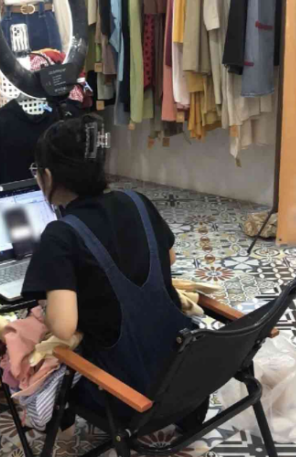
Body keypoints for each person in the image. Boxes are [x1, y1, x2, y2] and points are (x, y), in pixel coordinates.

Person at [21, 115, 205, 427]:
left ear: (47, 176)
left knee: (37, 342)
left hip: (128, 399)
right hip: (184, 378)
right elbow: (170, 257)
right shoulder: (137, 201)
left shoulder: (60, 234)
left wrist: (47, 302)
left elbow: (64, 327)